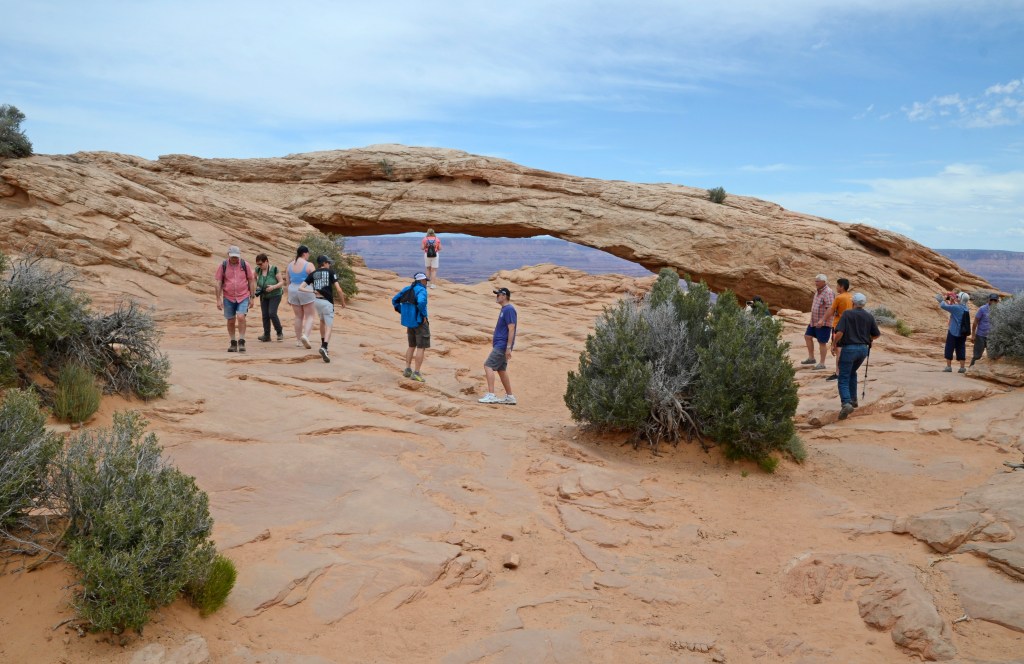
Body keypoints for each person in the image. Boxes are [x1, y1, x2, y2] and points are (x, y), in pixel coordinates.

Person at [832, 292, 881, 420]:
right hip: (863, 350)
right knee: (852, 372)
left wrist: (834, 343)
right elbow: (876, 334)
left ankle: (846, 403)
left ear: (853, 302)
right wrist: (869, 339)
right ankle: (853, 399)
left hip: (849, 349)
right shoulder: (869, 316)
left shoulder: (847, 314)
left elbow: (840, 332)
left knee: (843, 376)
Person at [299, 255, 348, 363]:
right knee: (329, 326)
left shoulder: (313, 274)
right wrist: (343, 302)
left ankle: (322, 344)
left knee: (322, 321)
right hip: (327, 302)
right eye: (328, 262)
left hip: (317, 301)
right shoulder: (331, 272)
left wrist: (312, 291)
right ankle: (324, 347)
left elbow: (300, 287)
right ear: (324, 263)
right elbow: (339, 289)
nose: (329, 264)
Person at [478, 287, 518, 405]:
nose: (497, 297)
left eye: (498, 295)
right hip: (502, 345)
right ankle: (510, 397)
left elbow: (511, 328)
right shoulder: (505, 309)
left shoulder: (509, 309)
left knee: (488, 365)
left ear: (504, 296)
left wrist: (508, 347)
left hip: (502, 345)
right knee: (501, 370)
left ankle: (491, 395)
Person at [214, 245, 256, 353]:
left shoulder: (245, 264)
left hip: (243, 296)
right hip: (228, 297)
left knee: (241, 317)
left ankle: (241, 341)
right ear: (228, 255)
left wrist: (252, 297)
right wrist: (218, 299)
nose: (234, 258)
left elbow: (251, 281)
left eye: (236, 256)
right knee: (231, 320)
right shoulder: (223, 265)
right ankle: (233, 342)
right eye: (233, 256)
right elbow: (218, 282)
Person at [391, 272, 430, 381]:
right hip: (419, 322)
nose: (426, 282)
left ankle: (407, 369)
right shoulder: (421, 290)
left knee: (411, 346)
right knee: (421, 347)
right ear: (421, 281)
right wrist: (424, 315)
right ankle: (416, 373)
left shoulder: (407, 289)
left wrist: (403, 311)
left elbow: (394, 300)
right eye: (425, 280)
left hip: (409, 322)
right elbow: (421, 302)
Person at [801, 274, 835, 371]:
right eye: (815, 281)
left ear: (824, 282)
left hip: (823, 322)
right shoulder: (818, 291)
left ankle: (822, 363)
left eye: (818, 281)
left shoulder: (828, 292)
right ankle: (811, 358)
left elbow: (830, 308)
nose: (816, 283)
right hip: (814, 321)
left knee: (822, 342)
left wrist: (823, 320)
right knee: (807, 336)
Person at [286, 245, 316, 349]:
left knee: (298, 317)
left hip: (293, 291)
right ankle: (305, 336)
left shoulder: (290, 265)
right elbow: (316, 279)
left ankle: (298, 340)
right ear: (304, 253)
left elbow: (288, 281)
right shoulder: (309, 265)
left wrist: (288, 296)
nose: (308, 255)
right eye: (308, 253)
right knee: (310, 316)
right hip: (305, 290)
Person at [823, 278, 853, 381]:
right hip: (849, 327)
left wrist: (823, 320)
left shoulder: (839, 298)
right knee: (846, 349)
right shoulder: (851, 297)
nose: (836, 287)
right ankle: (846, 371)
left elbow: (831, 311)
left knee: (838, 349)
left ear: (842, 286)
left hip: (838, 326)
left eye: (837, 285)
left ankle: (838, 373)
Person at [936, 291, 971, 373]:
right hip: (962, 333)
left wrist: (941, 300)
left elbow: (944, 306)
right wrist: (952, 301)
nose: (957, 297)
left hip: (953, 331)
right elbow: (954, 309)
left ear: (961, 299)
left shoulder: (957, 308)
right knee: (961, 348)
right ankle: (962, 368)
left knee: (949, 347)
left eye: (958, 297)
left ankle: (948, 367)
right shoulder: (966, 308)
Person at [254, 253, 285, 342]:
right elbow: (253, 278)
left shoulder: (274, 269)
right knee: (265, 315)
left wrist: (273, 287)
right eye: (258, 264)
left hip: (275, 294)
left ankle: (279, 332)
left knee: (272, 313)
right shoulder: (258, 269)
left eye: (261, 264)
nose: (259, 266)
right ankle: (266, 335)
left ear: (266, 261)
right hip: (264, 295)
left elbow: (281, 282)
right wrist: (257, 286)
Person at [970, 293, 999, 367]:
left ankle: (990, 370)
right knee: (977, 355)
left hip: (992, 337)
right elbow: (975, 321)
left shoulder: (999, 310)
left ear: (997, 301)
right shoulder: (982, 309)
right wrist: (973, 335)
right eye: (991, 300)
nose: (993, 301)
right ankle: (971, 369)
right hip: (980, 335)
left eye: (995, 300)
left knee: (992, 356)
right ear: (989, 300)